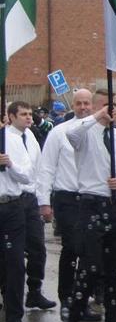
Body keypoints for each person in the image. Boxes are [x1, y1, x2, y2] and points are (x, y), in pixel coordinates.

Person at [56, 90, 116, 322]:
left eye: (112, 106)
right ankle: (74, 313)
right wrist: (96, 117)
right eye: (104, 106)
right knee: (90, 264)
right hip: (91, 203)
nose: (109, 111)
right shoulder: (85, 134)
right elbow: (72, 134)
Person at [37, 89, 96, 318]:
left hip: (90, 198)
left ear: (92, 105)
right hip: (67, 198)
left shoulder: (97, 132)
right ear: (73, 105)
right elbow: (47, 167)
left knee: (90, 253)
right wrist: (44, 201)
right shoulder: (59, 133)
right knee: (72, 249)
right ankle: (67, 299)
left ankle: (83, 300)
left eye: (87, 103)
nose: (83, 107)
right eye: (79, 103)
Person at [7, 101, 55, 311]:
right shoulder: (6, 138)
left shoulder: (32, 137)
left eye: (30, 114)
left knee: (37, 247)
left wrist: (43, 199)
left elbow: (40, 169)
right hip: (14, 198)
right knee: (12, 254)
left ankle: (34, 290)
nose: (28, 117)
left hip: (31, 199)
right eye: (23, 114)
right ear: (11, 116)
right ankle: (7, 292)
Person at [0, 112, 32, 322]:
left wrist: (9, 164)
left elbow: (27, 175)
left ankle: (14, 317)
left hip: (11, 207)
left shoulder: (12, 139)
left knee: (15, 263)